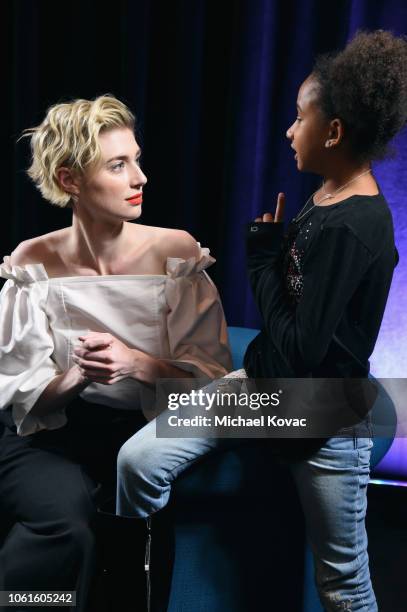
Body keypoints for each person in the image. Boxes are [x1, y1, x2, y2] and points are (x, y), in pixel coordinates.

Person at [116, 30, 407, 611]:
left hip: (324, 417)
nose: (288, 130)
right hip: (265, 389)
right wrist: (273, 255)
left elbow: (302, 347)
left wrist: (262, 260)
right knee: (138, 461)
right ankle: (129, 586)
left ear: (334, 131)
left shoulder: (355, 225)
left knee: (343, 584)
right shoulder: (326, 193)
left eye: (299, 118)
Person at [0, 95, 232, 610]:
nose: (140, 177)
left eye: (138, 160)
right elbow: (24, 403)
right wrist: (77, 376)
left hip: (144, 436)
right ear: (69, 180)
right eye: (118, 164)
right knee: (63, 524)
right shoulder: (31, 262)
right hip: (54, 437)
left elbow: (215, 386)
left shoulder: (176, 253)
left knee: (127, 540)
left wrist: (136, 363)